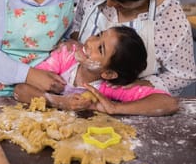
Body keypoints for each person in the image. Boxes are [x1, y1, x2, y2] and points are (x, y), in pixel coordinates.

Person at [14, 26, 178, 116]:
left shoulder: (109, 87)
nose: (91, 41)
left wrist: (115, 108)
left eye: (100, 49)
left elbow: (168, 104)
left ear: (108, 74)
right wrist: (59, 102)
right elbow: (20, 90)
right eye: (99, 35)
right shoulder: (65, 59)